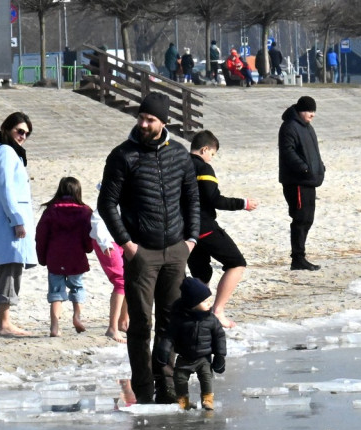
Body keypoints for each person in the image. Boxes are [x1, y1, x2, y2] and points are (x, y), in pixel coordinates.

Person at [98, 92, 200, 404]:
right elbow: (106, 204)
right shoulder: (123, 155)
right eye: (141, 118)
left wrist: (191, 240)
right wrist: (127, 245)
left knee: (170, 323)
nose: (143, 123)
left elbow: (192, 199)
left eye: (150, 119)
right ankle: (142, 390)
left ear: (163, 122)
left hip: (175, 251)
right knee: (141, 324)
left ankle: (166, 384)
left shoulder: (180, 155)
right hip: (141, 254)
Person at [188, 131, 258, 329]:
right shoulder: (203, 167)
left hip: (185, 231)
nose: (212, 158)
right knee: (236, 263)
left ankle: (200, 315)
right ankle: (218, 310)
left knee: (201, 272)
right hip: (204, 227)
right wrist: (243, 203)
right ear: (205, 149)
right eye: (212, 154)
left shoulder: (178, 164)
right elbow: (214, 199)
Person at [0, 112, 37, 336]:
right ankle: (4, 323)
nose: (23, 136)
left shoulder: (0, 149)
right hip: (7, 220)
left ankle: (6, 320)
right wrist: (16, 219)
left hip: (3, 218)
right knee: (10, 266)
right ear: (7, 128)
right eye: (19, 131)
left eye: (26, 133)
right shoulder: (4, 151)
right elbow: (6, 189)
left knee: (12, 265)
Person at [35, 176, 94, 337]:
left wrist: (42, 257)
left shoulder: (51, 210)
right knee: (77, 286)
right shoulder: (85, 211)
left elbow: (41, 236)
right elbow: (89, 235)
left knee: (55, 291)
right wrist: (88, 249)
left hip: (55, 257)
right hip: (76, 256)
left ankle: (55, 326)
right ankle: (77, 316)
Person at [155, 277, 226, 411]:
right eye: (205, 301)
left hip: (204, 358)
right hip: (184, 357)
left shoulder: (211, 319)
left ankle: (207, 400)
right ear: (192, 303)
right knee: (180, 380)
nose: (209, 303)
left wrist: (220, 356)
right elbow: (169, 336)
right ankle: (183, 402)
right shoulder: (179, 319)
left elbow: (219, 337)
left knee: (206, 378)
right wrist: (164, 350)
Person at [278, 95, 325, 270]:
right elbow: (288, 152)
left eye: (314, 111)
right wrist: (304, 168)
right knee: (300, 218)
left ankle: (300, 256)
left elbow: (313, 152)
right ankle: (297, 258)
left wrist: (320, 167)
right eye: (309, 111)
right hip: (296, 181)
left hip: (309, 180)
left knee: (308, 219)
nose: (312, 114)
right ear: (300, 110)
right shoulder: (289, 126)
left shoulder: (307, 127)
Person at [90, 202, 129, 342]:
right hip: (107, 242)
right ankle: (112, 328)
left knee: (130, 278)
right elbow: (96, 219)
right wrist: (104, 242)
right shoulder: (111, 197)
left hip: (122, 240)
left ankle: (123, 321)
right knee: (120, 281)